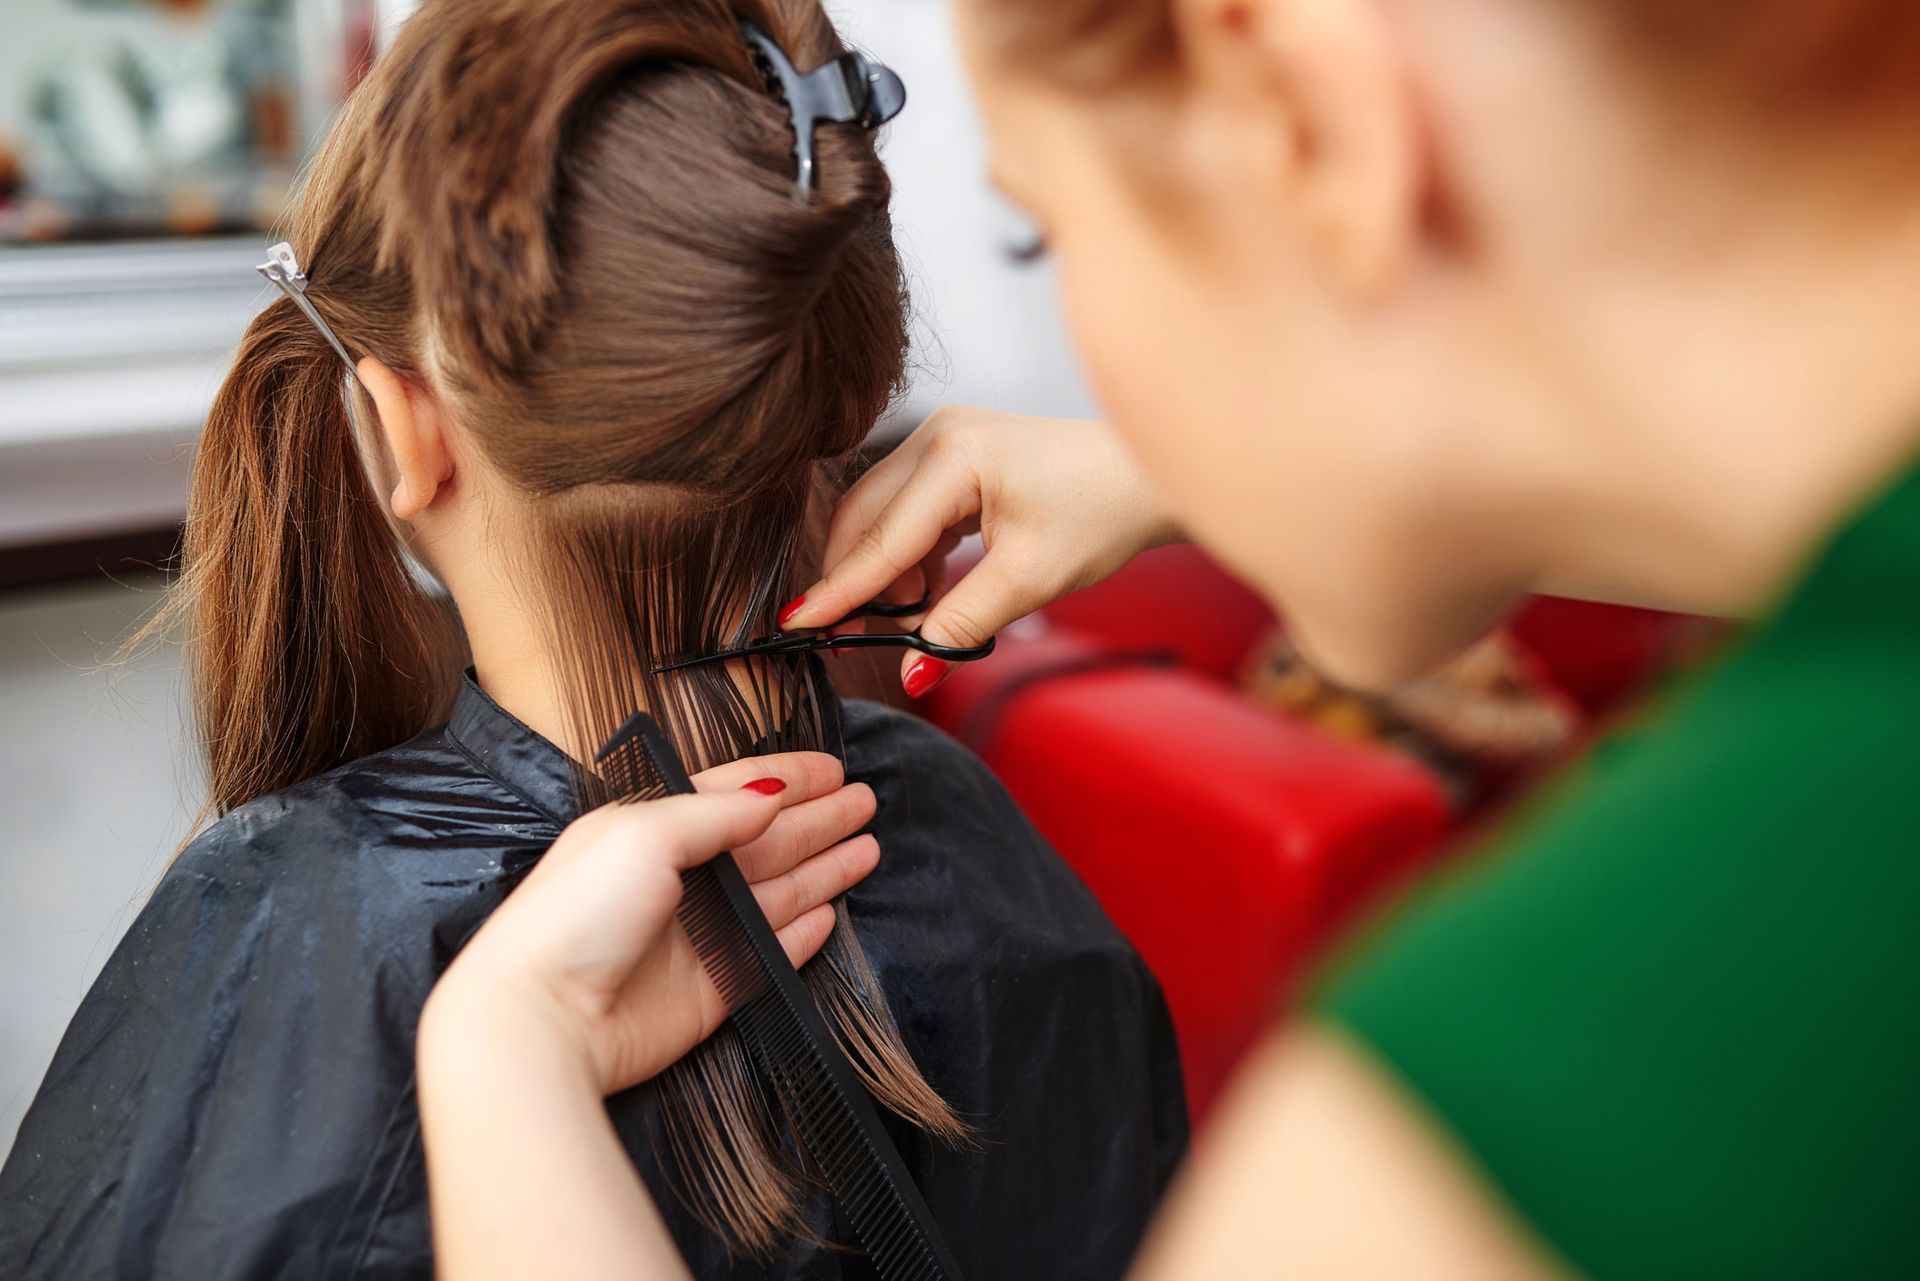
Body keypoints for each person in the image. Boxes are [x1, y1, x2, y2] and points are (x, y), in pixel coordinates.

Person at [415, 0, 1920, 1276]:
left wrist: (507, 1060)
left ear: (1300, 114)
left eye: (1036, 228)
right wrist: (1190, 472)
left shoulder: (1519, 1125)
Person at [0, 2, 1188, 1277]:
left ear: (406, 430)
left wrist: (510, 1043)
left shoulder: (284, 947)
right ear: (837, 385)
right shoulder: (989, 858)